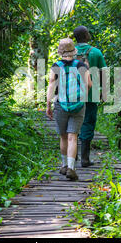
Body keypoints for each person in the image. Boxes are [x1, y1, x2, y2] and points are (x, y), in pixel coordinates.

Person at [46, 38, 92, 181]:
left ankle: (64, 165)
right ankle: (71, 168)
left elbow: (51, 85)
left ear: (60, 52)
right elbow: (89, 85)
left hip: (61, 104)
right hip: (78, 105)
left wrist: (48, 104)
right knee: (73, 137)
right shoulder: (81, 65)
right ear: (73, 50)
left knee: (63, 136)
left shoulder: (56, 66)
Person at [73, 26, 107, 168]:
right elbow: (103, 73)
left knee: (73, 123)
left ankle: (72, 155)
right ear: (86, 35)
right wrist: (104, 92)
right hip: (91, 93)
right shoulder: (96, 52)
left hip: (72, 94)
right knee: (88, 122)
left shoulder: (69, 52)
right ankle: (85, 159)